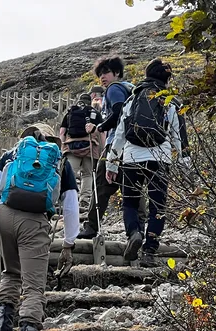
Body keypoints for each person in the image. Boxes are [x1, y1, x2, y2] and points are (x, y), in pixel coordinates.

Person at [0, 123, 80, 331]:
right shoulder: (59, 162)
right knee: (34, 287)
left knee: (11, 272)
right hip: (34, 222)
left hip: (4, 215)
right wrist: (69, 242)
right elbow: (70, 204)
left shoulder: (11, 154)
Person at [104, 58, 182, 267]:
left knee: (130, 202)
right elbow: (178, 136)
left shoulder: (133, 99)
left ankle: (134, 234)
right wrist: (185, 165)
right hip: (160, 159)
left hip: (131, 159)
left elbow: (120, 133)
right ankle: (149, 251)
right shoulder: (170, 101)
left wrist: (111, 164)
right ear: (167, 79)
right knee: (158, 206)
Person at [77, 56, 134, 240]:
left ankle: (91, 226)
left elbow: (117, 112)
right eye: (100, 74)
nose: (102, 77)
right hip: (133, 147)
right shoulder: (131, 89)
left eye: (106, 72)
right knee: (131, 189)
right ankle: (135, 231)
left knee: (101, 183)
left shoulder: (114, 89)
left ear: (116, 73)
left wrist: (100, 127)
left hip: (116, 145)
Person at [58, 90, 104, 212]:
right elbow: (102, 132)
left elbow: (62, 132)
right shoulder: (95, 113)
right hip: (90, 146)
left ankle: (67, 199)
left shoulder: (69, 113)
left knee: (71, 174)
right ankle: (85, 200)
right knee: (88, 174)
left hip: (71, 146)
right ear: (90, 102)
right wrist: (102, 149)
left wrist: (63, 145)